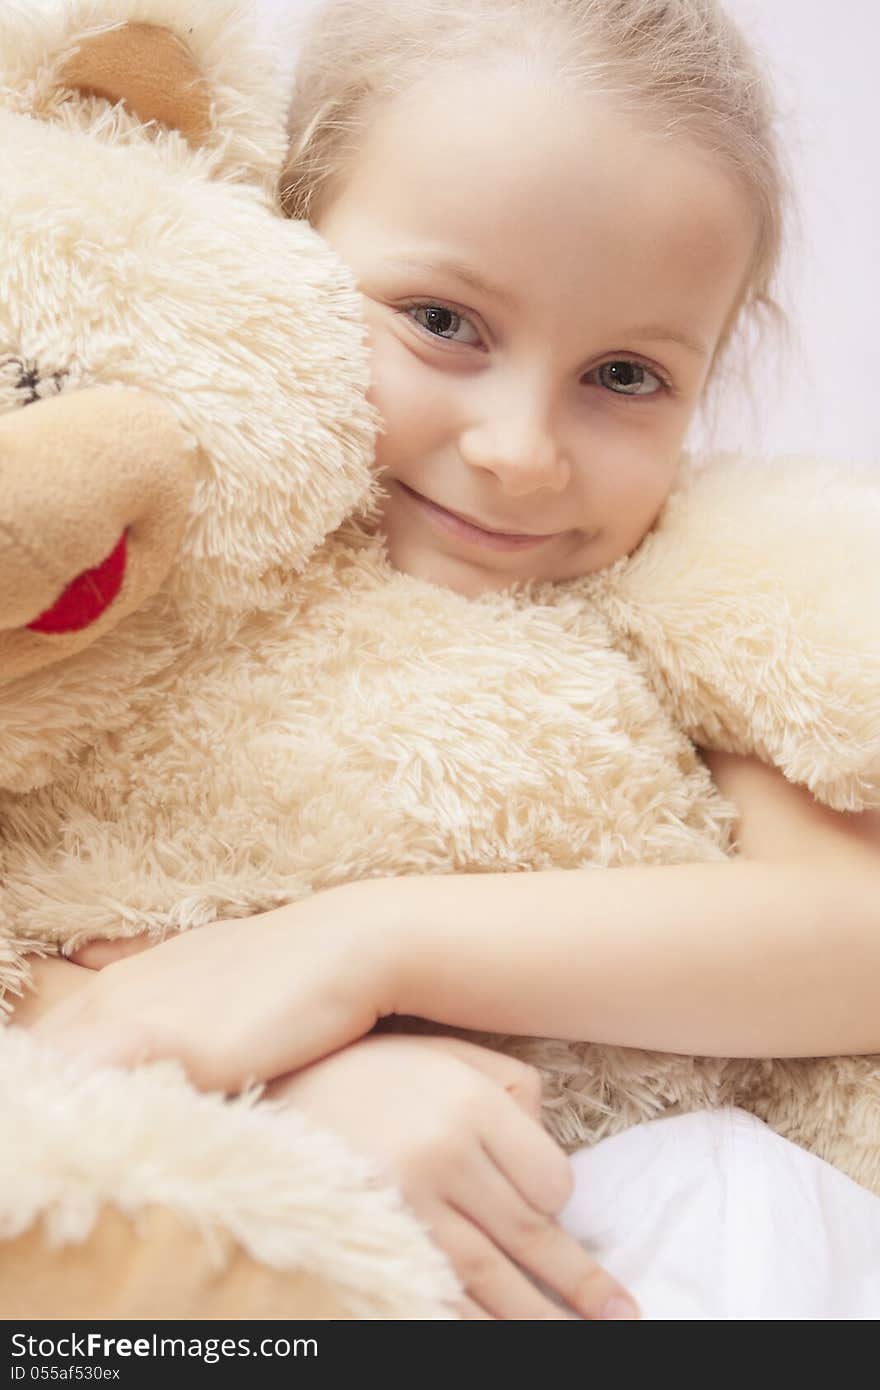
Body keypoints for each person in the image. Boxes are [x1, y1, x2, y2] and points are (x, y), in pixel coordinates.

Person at [16, 0, 880, 1319]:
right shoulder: (124, 562)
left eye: (628, 375)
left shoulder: (677, 582)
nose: (521, 449)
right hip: (230, 1268)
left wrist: (360, 947)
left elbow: (851, 938)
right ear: (276, 241)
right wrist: (297, 1092)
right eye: (442, 320)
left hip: (630, 1250)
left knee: (735, 1180)